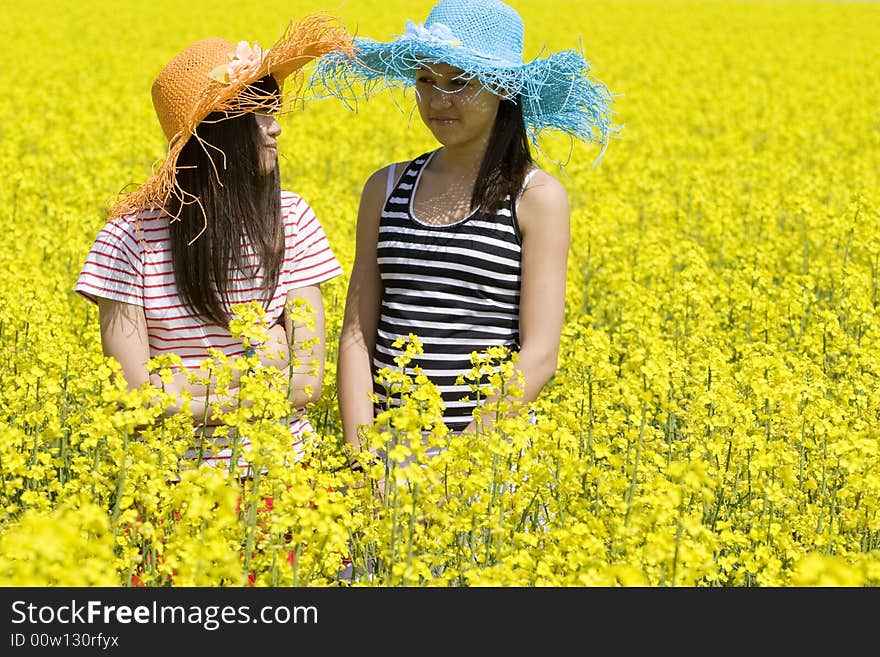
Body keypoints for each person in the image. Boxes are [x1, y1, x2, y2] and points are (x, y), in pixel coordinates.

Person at [314, 0, 617, 465]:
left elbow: (539, 356)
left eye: (459, 83)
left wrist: (457, 469)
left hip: (485, 463)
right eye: (425, 81)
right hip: (385, 457)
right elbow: (357, 332)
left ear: (503, 88)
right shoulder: (386, 187)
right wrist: (362, 458)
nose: (437, 100)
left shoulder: (536, 197)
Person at [75, 15, 353, 474]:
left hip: (286, 483)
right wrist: (260, 369)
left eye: (273, 110)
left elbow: (306, 382)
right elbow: (132, 399)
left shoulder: (293, 219)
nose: (275, 128)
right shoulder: (128, 238)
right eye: (256, 115)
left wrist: (180, 385)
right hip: (172, 489)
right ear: (214, 133)